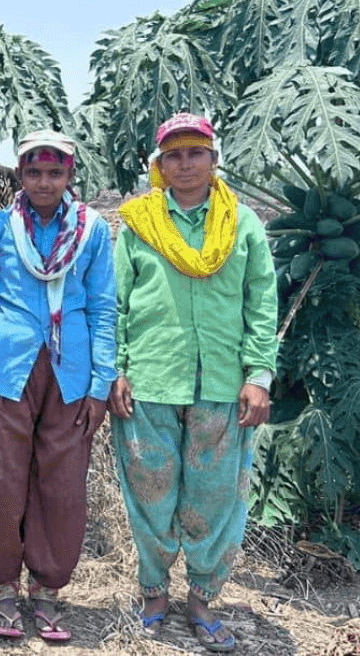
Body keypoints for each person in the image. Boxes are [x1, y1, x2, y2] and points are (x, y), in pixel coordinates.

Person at [110, 113, 277, 653]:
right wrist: (115, 368)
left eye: (195, 153)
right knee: (151, 496)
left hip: (224, 386)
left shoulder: (241, 223)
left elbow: (261, 303)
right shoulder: (137, 224)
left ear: (213, 159)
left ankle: (202, 598)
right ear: (159, 165)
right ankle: (154, 593)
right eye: (173, 155)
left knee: (215, 497)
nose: (185, 164)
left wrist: (259, 375)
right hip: (150, 382)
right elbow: (114, 305)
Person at [0, 130, 116, 642]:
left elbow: (102, 309)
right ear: (20, 175)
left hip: (70, 371)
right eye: (34, 172)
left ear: (69, 175)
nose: (44, 182)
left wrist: (100, 385)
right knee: (1, 480)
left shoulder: (92, 232)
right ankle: (2, 588)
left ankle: (48, 590)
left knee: (63, 483)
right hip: (7, 369)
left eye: (55, 173)